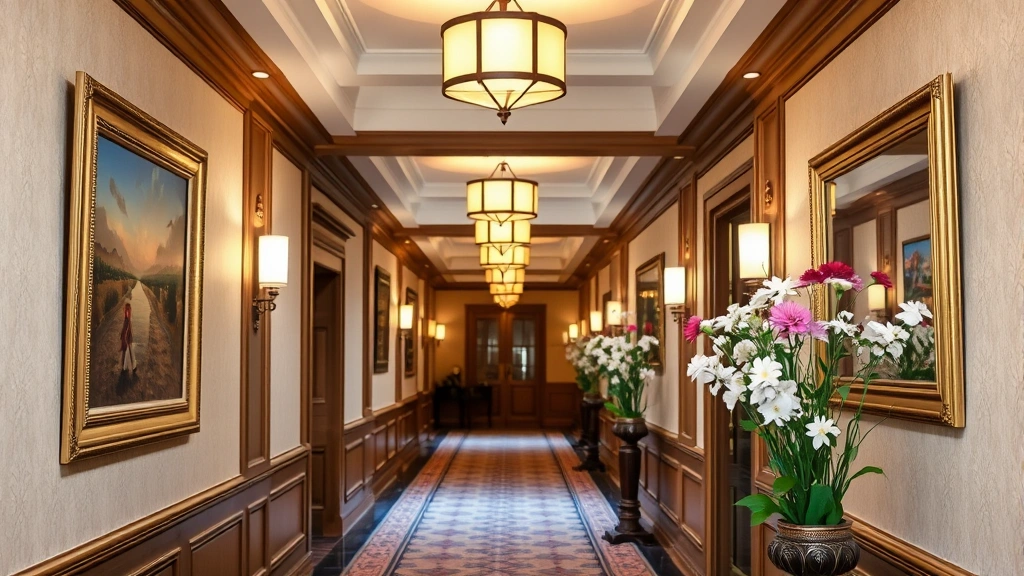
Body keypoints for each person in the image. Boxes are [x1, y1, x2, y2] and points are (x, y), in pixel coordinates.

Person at [121, 302, 136, 373]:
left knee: (128, 350)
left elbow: (127, 329)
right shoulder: (127, 319)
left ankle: (125, 367)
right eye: (126, 310)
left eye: (128, 310)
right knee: (129, 350)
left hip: (127, 336)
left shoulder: (128, 320)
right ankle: (131, 366)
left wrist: (125, 337)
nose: (127, 311)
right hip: (127, 336)